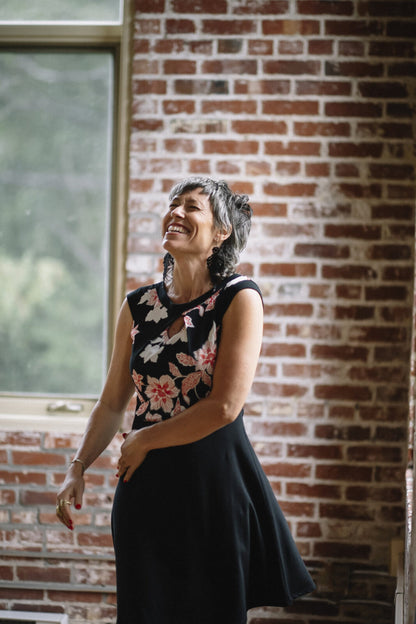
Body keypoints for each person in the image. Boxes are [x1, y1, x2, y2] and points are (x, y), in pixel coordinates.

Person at [56, 177, 315, 623]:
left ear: (221, 232)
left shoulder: (239, 297)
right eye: (172, 204)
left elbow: (225, 406)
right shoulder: (138, 305)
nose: (176, 212)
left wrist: (145, 439)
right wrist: (76, 468)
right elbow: (112, 402)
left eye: (192, 207)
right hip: (145, 492)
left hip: (212, 488)